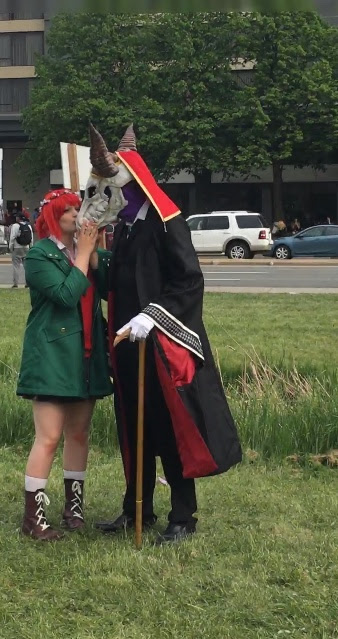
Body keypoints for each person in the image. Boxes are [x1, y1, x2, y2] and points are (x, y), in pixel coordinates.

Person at [78, 124, 242, 545]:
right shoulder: (128, 227)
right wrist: (91, 258)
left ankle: (183, 516)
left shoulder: (168, 223)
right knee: (134, 429)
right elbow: (123, 278)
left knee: (169, 428)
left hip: (164, 344)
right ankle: (138, 507)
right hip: (129, 346)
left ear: (130, 187)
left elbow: (190, 281)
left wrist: (152, 315)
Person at [16, 188, 113, 541]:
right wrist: (84, 254)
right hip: (52, 357)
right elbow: (64, 294)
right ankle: (33, 518)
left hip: (87, 354)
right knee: (50, 436)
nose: (77, 214)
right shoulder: (40, 255)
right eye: (69, 210)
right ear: (53, 218)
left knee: (78, 434)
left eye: (77, 208)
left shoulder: (84, 250)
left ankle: (74, 508)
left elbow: (109, 288)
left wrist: (95, 254)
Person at [9, 212, 33, 288]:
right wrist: (31, 247)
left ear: (18, 218)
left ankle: (16, 283)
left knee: (16, 266)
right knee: (27, 267)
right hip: (26, 248)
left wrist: (10, 247)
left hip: (17, 247)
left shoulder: (15, 226)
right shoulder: (29, 226)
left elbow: (12, 237)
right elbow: (31, 238)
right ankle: (27, 283)